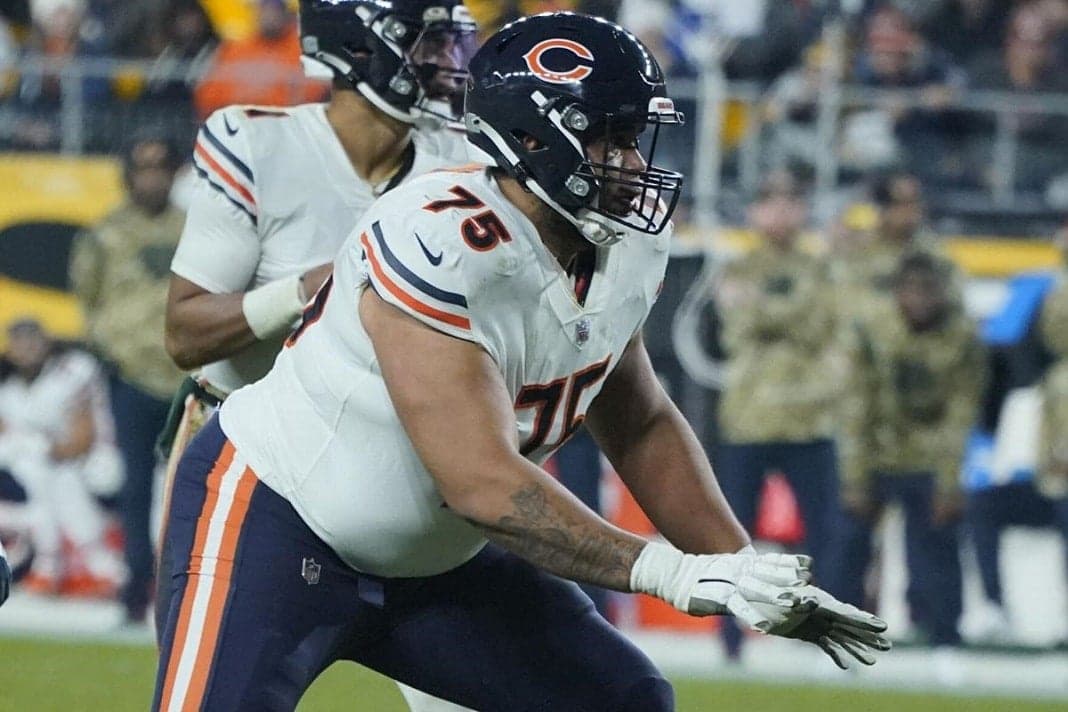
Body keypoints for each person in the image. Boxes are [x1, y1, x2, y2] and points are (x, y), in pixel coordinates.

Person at [153, 13, 889, 711]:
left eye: (635, 139)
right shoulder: (437, 239)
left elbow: (638, 422)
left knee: (625, 700)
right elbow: (481, 483)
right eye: (610, 140)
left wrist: (743, 571)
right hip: (278, 524)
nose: (634, 164)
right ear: (535, 139)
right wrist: (671, 572)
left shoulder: (624, 241)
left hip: (437, 564)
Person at [159, 1, 479, 709]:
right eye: (427, 42)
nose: (448, 63)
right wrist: (309, 289)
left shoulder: (464, 164)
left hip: (397, 459)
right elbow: (185, 332)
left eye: (453, 43)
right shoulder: (257, 141)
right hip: (250, 465)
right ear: (357, 49)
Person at [712, 171, 841, 660]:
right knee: (732, 534)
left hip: (809, 416)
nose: (781, 212)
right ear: (754, 212)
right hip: (749, 417)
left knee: (825, 533)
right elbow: (738, 323)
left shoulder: (821, 269)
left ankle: (825, 635)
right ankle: (729, 638)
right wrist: (792, 313)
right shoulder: (736, 268)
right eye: (771, 201)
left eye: (791, 202)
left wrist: (768, 310)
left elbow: (820, 324)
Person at [829, 251, 984, 649]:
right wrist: (854, 478)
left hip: (929, 456)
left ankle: (945, 641)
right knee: (848, 545)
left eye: (928, 291)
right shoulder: (871, 329)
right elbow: (856, 405)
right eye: (911, 290)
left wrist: (949, 482)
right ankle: (835, 634)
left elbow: (960, 413)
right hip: (876, 451)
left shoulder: (962, 337)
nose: (919, 300)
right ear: (897, 292)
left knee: (936, 549)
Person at [69, 133, 187, 623]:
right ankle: (135, 587)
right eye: (143, 168)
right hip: (132, 376)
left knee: (189, 488)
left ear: (176, 173)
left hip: (188, 377)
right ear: (127, 175)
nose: (152, 177)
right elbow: (87, 295)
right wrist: (109, 347)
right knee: (135, 488)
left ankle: (183, 591)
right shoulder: (104, 233)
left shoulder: (194, 229)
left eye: (161, 167)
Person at [0, 319, 125, 597]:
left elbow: (80, 442)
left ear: (47, 341)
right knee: (38, 470)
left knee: (61, 476)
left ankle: (66, 564)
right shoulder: (10, 388)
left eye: (32, 339)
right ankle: (61, 564)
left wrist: (35, 447)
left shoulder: (74, 369)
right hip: (38, 477)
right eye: (19, 341)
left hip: (99, 459)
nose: (26, 347)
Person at [192, 0, 328, 119]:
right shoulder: (235, 49)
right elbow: (207, 97)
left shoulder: (304, 48)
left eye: (273, 9)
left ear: (286, 12)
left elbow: (313, 96)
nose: (267, 15)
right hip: (237, 126)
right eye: (263, 8)